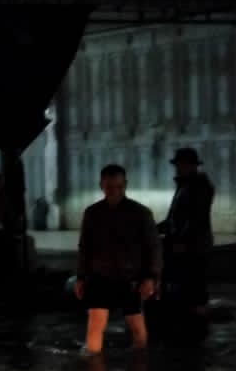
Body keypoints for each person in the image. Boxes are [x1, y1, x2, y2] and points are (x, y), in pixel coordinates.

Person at [74, 164, 161, 353]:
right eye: (109, 187)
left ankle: (139, 369)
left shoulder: (140, 213)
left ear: (125, 185)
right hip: (100, 276)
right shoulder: (93, 213)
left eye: (119, 187)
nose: (114, 191)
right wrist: (81, 277)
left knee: (136, 326)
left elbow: (153, 247)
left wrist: (150, 278)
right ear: (102, 186)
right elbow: (84, 247)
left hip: (130, 277)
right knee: (96, 324)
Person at [159, 147, 215, 336]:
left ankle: (198, 329)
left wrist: (182, 240)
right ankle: (188, 326)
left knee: (195, 287)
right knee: (184, 286)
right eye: (177, 165)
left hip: (193, 247)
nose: (178, 169)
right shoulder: (185, 186)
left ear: (191, 166)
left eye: (181, 165)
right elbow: (175, 217)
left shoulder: (198, 186)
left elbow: (196, 218)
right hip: (184, 245)